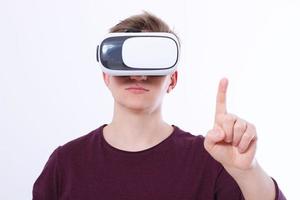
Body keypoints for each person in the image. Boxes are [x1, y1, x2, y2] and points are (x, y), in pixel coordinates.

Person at [32, 11, 286, 199]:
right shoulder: (65, 165)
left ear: (172, 79)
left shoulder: (210, 159)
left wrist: (247, 171)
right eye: (125, 63)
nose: (138, 75)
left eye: (152, 62)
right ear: (105, 75)